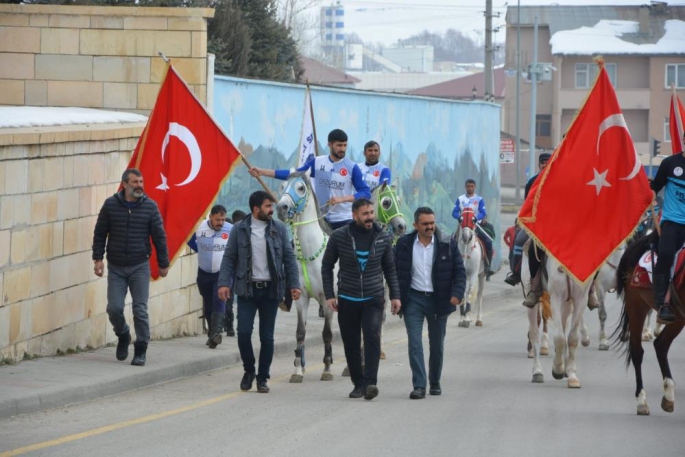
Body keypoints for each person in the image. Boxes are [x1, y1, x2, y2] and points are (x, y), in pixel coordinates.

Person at [217, 191, 301, 393]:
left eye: (271, 206)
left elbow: (289, 258)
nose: (271, 210)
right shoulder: (239, 229)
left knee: (267, 337)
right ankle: (249, 370)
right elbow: (229, 258)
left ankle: (263, 378)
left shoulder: (279, 229)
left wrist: (294, 284)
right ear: (256, 209)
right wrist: (223, 284)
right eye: (267, 207)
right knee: (243, 333)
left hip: (271, 291)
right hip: (247, 290)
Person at [321, 198, 401, 400]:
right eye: (365, 214)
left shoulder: (383, 237)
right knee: (351, 343)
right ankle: (358, 383)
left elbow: (390, 268)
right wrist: (329, 295)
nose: (370, 217)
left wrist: (395, 296)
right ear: (354, 215)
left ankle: (370, 383)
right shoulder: (339, 236)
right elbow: (327, 265)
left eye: (371, 213)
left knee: (373, 338)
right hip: (347, 298)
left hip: (373, 298)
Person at [92, 168, 169, 367]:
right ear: (124, 184)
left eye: (141, 182)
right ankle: (123, 335)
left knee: (140, 309)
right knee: (114, 308)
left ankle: (141, 348)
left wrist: (163, 263)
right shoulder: (110, 205)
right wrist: (98, 259)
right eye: (135, 182)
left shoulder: (150, 207)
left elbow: (159, 237)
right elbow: (100, 233)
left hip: (139, 266)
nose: (139, 186)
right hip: (116, 266)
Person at [394, 207, 466, 399]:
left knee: (437, 345)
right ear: (415, 225)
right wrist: (396, 296)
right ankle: (419, 385)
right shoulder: (404, 244)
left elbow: (460, 272)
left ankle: (435, 381)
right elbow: (394, 272)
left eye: (432, 223)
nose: (429, 227)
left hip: (439, 300)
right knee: (415, 343)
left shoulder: (447, 244)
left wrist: (457, 294)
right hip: (413, 300)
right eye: (425, 224)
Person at [249, 129, 371, 230]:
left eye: (345, 145)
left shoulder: (352, 167)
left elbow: (366, 193)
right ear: (329, 144)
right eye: (339, 145)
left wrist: (342, 199)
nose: (342, 149)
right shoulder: (317, 162)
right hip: (319, 219)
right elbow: (294, 174)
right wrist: (262, 172)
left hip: (343, 220)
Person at [648, 134, 685, 323]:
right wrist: (650, 195)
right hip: (672, 223)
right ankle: (662, 304)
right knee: (666, 254)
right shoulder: (670, 163)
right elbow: (655, 186)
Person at [187, 205, 233, 347]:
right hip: (204, 272)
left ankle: (216, 333)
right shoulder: (199, 227)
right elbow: (188, 240)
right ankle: (211, 332)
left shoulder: (231, 229)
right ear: (211, 217)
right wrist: (200, 249)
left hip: (222, 273)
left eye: (223, 219)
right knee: (208, 303)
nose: (221, 223)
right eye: (218, 219)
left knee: (219, 299)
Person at [505, 153, 550, 288]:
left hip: (554, 225)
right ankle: (516, 273)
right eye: (542, 162)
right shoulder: (531, 182)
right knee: (518, 240)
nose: (544, 165)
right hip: (535, 224)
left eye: (547, 162)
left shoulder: (559, 180)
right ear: (539, 165)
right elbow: (527, 204)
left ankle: (587, 287)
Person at [452, 179, 494, 276]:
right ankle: (450, 263)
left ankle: (488, 266)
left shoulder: (479, 199)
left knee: (488, 241)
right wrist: (459, 217)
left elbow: (483, 213)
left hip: (475, 226)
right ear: (465, 187)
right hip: (462, 226)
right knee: (451, 241)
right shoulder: (460, 199)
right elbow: (454, 212)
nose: (470, 188)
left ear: (474, 187)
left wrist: (476, 218)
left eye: (472, 186)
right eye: (468, 186)